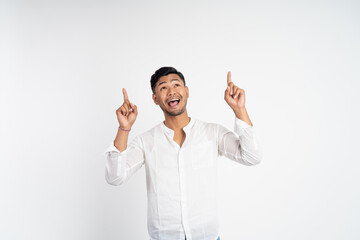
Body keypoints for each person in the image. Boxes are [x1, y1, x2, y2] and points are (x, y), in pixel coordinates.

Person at [105, 67, 262, 240]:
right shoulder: (146, 141)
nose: (171, 91)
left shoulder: (212, 132)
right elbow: (115, 177)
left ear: (186, 91)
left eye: (176, 85)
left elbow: (251, 156)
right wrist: (124, 128)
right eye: (163, 88)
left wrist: (240, 109)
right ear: (155, 99)